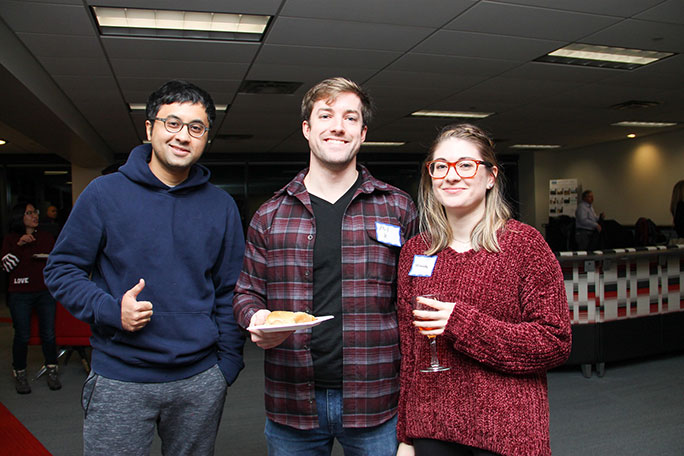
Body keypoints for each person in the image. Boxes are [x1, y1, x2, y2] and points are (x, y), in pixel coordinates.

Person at [43, 80, 246, 455]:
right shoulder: (104, 194)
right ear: (150, 128)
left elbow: (229, 290)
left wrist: (227, 366)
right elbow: (61, 270)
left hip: (200, 379)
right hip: (122, 377)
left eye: (196, 128)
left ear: (206, 138)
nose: (183, 136)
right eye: (172, 123)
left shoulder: (221, 207)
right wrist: (110, 309)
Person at [233, 77, 418, 455]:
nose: (338, 125)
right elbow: (246, 291)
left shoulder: (397, 208)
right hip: (292, 400)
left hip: (378, 398)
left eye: (350, 118)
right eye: (326, 115)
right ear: (307, 128)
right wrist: (256, 318)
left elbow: (417, 297)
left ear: (362, 133)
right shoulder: (270, 215)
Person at [396, 124, 571, 456]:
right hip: (433, 428)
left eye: (465, 165)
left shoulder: (525, 246)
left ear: (490, 176)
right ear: (430, 176)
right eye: (440, 166)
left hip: (508, 430)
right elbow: (412, 354)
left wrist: (463, 323)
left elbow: (555, 342)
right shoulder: (415, 251)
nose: (451, 176)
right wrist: (405, 435)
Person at [2, 202, 61, 394]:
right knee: (22, 335)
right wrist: (19, 246)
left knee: (49, 334)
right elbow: (6, 267)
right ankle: (20, 373)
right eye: (29, 213)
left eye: (35, 212)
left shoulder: (45, 237)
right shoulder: (10, 239)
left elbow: (56, 260)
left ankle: (52, 369)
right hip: (19, 293)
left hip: (44, 291)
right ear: (20, 217)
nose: (34, 215)